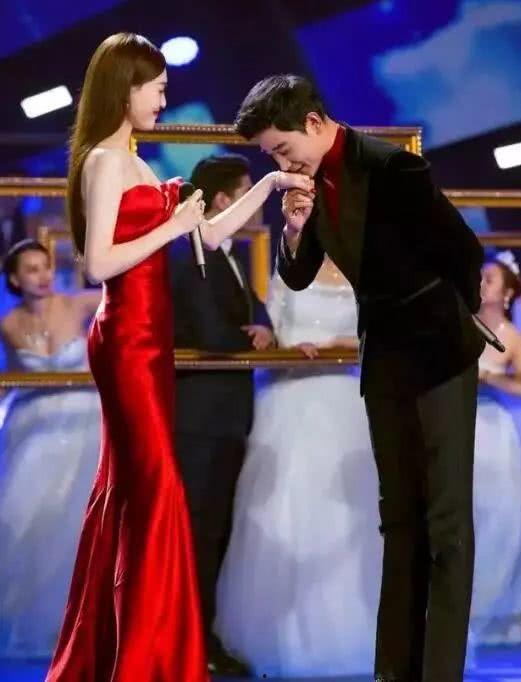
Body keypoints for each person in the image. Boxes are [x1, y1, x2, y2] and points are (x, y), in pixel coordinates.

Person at [45, 35, 312, 682]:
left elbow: (210, 235)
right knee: (157, 489)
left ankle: (130, 653)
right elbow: (97, 264)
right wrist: (169, 226)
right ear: (127, 87)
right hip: (126, 341)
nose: (165, 99)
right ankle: (149, 659)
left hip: (151, 342)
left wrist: (270, 183)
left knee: (138, 493)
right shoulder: (105, 162)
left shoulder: (137, 163)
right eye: (158, 88)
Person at [235, 74, 485, 682]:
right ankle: (393, 671)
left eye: (282, 148)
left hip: (439, 357)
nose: (280, 163)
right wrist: (296, 227)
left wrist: (444, 319)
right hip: (385, 364)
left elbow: (464, 253)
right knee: (398, 520)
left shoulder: (393, 167)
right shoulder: (310, 182)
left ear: (314, 122)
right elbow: (298, 277)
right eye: (271, 155)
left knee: (446, 524)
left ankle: (440, 673)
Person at [216, 258, 382, 676]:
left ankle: (359, 628)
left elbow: (380, 335)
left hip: (346, 400)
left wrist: (337, 346)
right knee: (287, 508)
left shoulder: (364, 272)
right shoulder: (287, 273)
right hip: (292, 396)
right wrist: (285, 346)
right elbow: (274, 333)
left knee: (352, 515)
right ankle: (283, 633)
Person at [170, 154, 274, 675]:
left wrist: (264, 329)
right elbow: (210, 331)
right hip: (198, 419)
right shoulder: (189, 252)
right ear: (223, 201)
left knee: (215, 533)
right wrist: (248, 338)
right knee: (193, 535)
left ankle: (202, 640)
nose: (259, 205)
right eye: (249, 193)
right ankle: (183, 643)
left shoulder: (230, 257)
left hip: (228, 417)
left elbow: (258, 312)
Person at [0, 239, 101, 658]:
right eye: (31, 269)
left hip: (82, 423)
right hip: (33, 427)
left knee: (74, 521)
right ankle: (34, 625)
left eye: (45, 267)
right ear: (14, 279)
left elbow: (131, 301)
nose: (42, 276)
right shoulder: (7, 324)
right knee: (24, 518)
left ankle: (83, 624)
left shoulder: (78, 303)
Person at [470, 251, 521, 647]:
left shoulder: (513, 338)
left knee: (499, 519)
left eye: (489, 278)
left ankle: (490, 610)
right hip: (460, 424)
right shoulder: (463, 325)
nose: (481, 283)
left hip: (493, 431)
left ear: (506, 293)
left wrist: (492, 380)